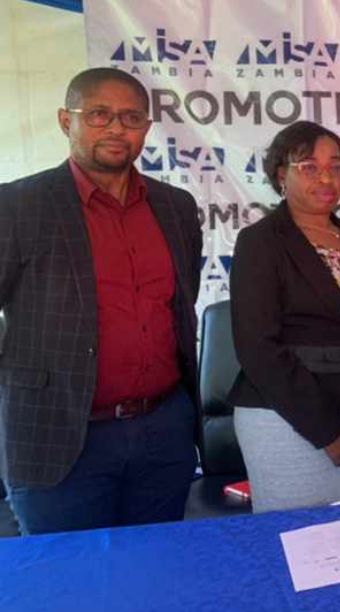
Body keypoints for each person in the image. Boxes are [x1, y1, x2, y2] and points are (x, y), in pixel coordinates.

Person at [0, 68, 202, 534]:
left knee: (155, 575)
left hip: (163, 431)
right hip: (58, 433)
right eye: (98, 114)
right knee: (71, 591)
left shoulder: (176, 206)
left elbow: (179, 302)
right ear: (65, 121)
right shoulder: (18, 206)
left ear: (147, 129)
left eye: (131, 117)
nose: (116, 128)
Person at [228, 121, 340, 513]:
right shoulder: (260, 242)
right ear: (282, 174)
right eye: (309, 166)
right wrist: (328, 431)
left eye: (336, 166)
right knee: (294, 542)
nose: (326, 177)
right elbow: (257, 348)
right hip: (286, 419)